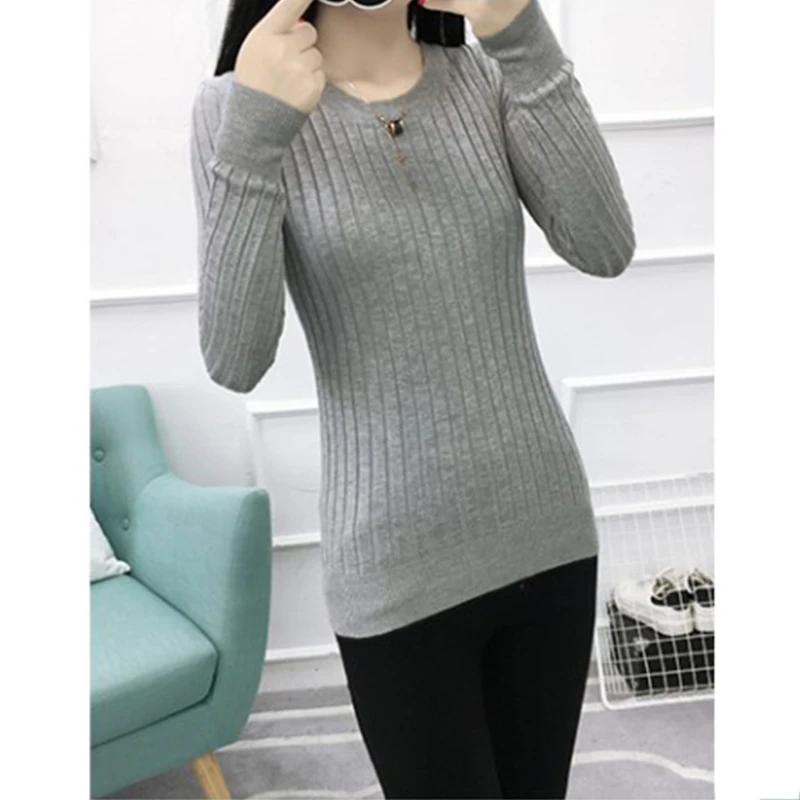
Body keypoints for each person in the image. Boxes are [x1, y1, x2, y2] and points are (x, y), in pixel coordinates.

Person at [189, 0, 634, 796]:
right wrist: (256, 134)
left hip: (544, 534)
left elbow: (604, 246)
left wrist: (523, 36)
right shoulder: (237, 107)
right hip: (393, 567)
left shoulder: (488, 76)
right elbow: (236, 358)